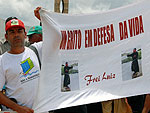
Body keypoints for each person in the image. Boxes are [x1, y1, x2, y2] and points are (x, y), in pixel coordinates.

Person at [0, 17, 42, 113]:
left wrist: (43, 19)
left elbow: (55, 37)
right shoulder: (2, 61)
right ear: (6, 37)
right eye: (12, 32)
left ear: (25, 34)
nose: (16, 35)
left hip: (40, 109)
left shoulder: (36, 50)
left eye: (19, 31)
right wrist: (19, 108)